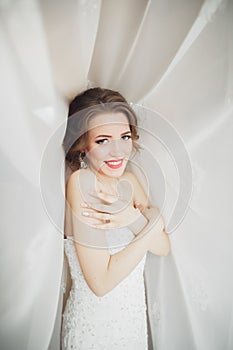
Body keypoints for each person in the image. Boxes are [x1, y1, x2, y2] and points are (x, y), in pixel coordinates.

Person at [61, 87, 170, 350]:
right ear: (82, 145)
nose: (118, 151)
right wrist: (148, 222)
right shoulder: (81, 183)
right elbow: (101, 283)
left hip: (132, 323)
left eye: (124, 136)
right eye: (102, 140)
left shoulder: (130, 180)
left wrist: (131, 218)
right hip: (95, 329)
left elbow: (163, 248)